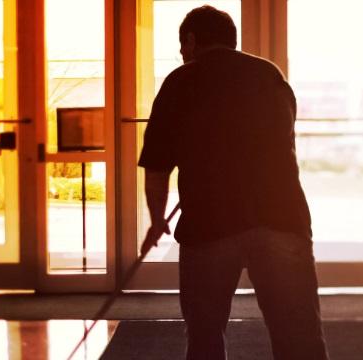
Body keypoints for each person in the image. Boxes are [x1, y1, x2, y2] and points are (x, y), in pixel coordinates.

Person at [137, 5, 329, 360]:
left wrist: (157, 218)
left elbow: (157, 165)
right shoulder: (269, 74)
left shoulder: (181, 81)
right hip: (283, 218)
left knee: (205, 336)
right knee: (300, 337)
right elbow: (282, 141)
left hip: (210, 225)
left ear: (191, 41)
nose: (182, 55)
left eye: (182, 47)